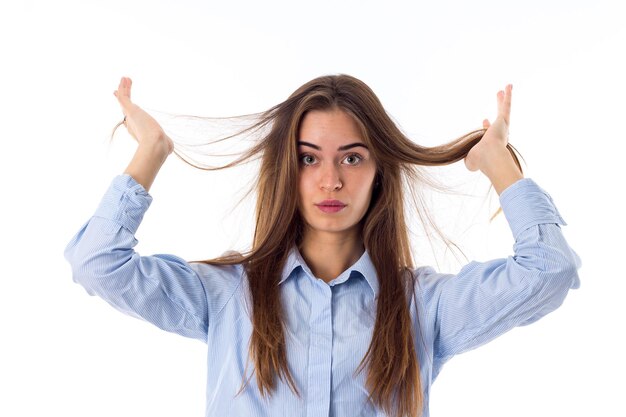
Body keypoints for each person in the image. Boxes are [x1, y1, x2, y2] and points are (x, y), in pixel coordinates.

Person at [64, 75, 581, 417]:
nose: (330, 180)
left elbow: (550, 272)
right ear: (287, 170)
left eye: (352, 158)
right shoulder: (224, 294)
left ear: (379, 172)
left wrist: (500, 166)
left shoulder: (424, 306)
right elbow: (97, 263)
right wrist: (151, 153)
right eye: (309, 158)